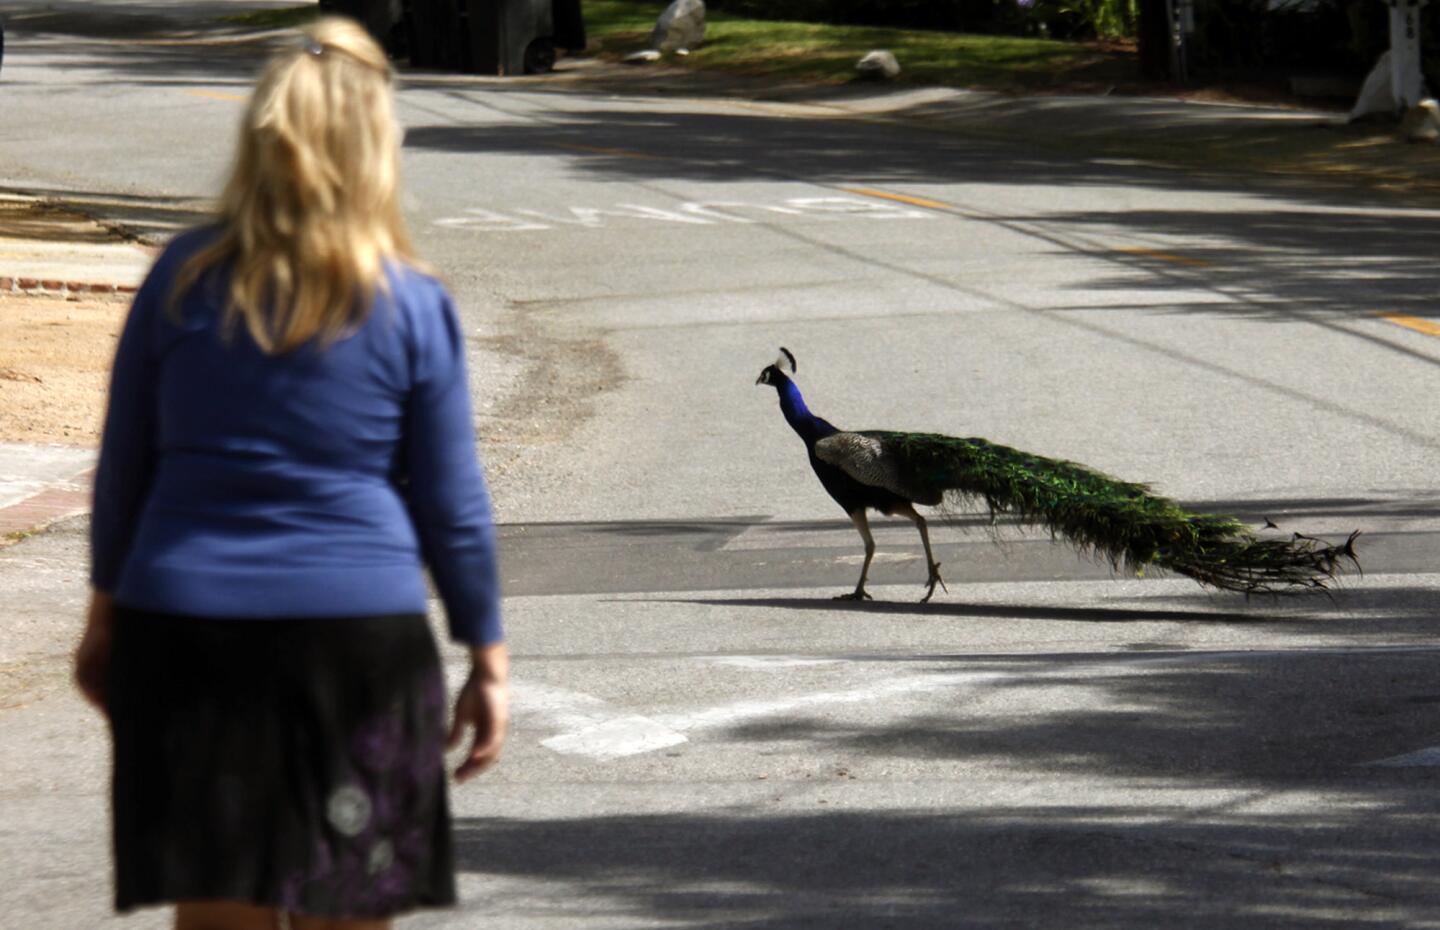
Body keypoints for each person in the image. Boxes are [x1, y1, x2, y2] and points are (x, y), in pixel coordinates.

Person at [72, 16, 507, 930]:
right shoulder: (412, 301)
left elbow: (124, 470)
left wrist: (105, 615)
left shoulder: (180, 278)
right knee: (347, 910)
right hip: (359, 644)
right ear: (377, 147)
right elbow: (451, 502)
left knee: (218, 910)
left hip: (185, 634)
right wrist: (486, 656)